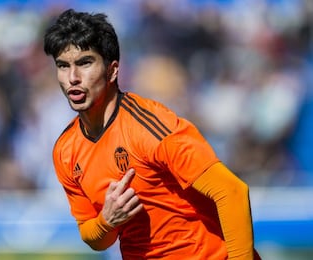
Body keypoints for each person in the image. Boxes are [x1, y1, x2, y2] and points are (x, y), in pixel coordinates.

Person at [43, 9, 261, 260]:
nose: (72, 77)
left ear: (112, 71)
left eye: (85, 63)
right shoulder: (66, 150)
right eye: (63, 65)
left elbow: (231, 192)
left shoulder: (151, 127)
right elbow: (94, 238)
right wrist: (107, 221)